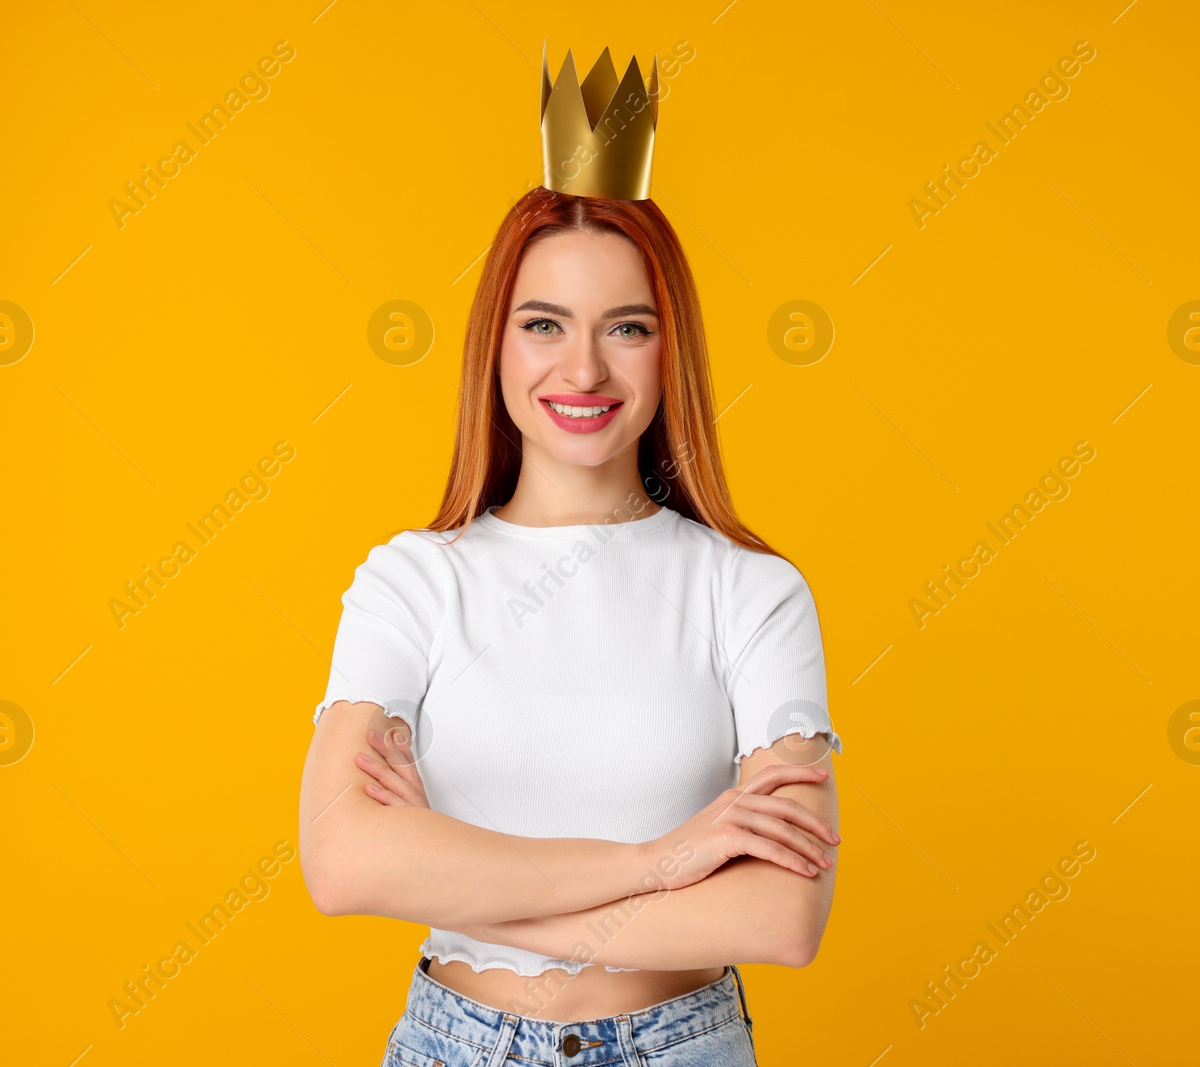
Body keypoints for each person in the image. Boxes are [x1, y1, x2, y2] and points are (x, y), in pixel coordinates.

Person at [298, 45, 843, 1066]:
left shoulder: (751, 593)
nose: (582, 367)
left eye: (625, 328)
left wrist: (456, 880)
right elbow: (340, 861)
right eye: (544, 323)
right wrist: (669, 859)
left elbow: (778, 916)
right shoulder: (410, 583)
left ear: (667, 346)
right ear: (494, 343)